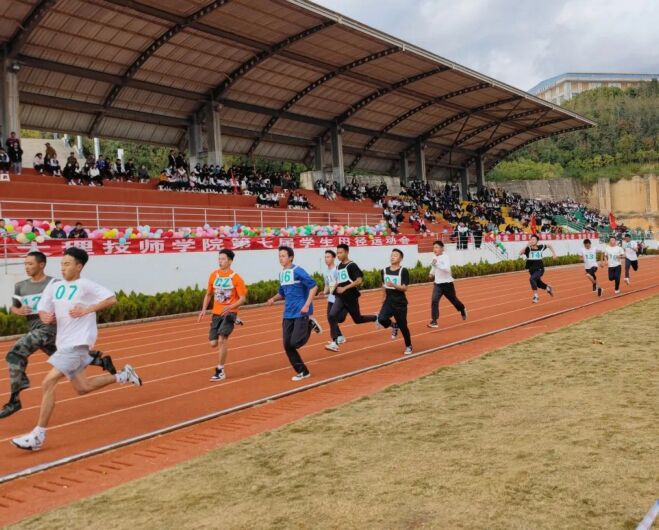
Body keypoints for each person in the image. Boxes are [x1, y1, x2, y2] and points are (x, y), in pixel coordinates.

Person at [11, 247, 141, 450]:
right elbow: (45, 309)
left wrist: (86, 309)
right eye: (62, 264)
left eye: (67, 264)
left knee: (48, 382)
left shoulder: (85, 285)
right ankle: (123, 375)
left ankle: (38, 435)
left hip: (78, 344)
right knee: (83, 387)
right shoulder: (54, 286)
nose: (63, 268)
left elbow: (111, 298)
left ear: (79, 266)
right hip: (64, 344)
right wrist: (45, 316)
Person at [1, 252, 115, 419]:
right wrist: (21, 311)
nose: (26, 267)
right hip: (47, 332)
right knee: (80, 383)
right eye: (25, 264)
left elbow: (106, 298)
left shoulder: (55, 282)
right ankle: (97, 360)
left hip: (48, 331)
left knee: (15, 353)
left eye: (30, 264)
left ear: (41, 265)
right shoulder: (20, 286)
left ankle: (15, 400)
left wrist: (83, 310)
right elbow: (14, 307)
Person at [267, 246, 321, 381]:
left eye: (283, 256)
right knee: (287, 345)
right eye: (279, 256)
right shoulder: (282, 274)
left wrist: (307, 305)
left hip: (301, 311)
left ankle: (309, 323)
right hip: (288, 314)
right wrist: (273, 298)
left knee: (295, 342)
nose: (281, 258)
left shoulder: (298, 271)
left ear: (291, 257)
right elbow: (282, 292)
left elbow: (313, 286)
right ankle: (303, 371)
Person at [198, 249, 247, 382]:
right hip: (216, 313)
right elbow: (208, 294)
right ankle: (235, 319)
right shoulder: (214, 275)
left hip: (230, 312)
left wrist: (231, 307)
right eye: (219, 259)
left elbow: (242, 299)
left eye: (223, 259)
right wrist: (203, 309)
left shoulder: (236, 278)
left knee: (222, 340)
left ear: (230, 261)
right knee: (213, 343)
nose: (220, 261)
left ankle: (220, 370)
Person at [325, 244, 377, 352]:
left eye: (341, 253)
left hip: (351, 298)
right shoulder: (338, 266)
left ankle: (375, 318)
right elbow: (338, 281)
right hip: (340, 298)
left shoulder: (352, 265)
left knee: (358, 320)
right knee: (331, 315)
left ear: (347, 252)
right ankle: (335, 342)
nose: (338, 255)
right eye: (337, 253)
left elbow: (359, 280)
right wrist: (329, 290)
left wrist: (345, 288)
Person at [376, 249, 413, 355]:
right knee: (382, 319)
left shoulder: (403, 271)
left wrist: (394, 285)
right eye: (392, 255)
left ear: (400, 259)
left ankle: (408, 345)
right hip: (388, 301)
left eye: (395, 255)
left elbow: (404, 288)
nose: (392, 257)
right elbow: (383, 285)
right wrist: (383, 297)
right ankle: (394, 326)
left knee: (403, 326)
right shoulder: (384, 270)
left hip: (400, 302)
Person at [428, 240, 467, 328]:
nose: (435, 249)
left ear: (442, 249)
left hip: (447, 284)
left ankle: (462, 309)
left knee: (454, 300)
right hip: (438, 283)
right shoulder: (434, 257)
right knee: (434, 301)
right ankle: (434, 321)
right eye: (434, 247)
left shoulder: (445, 257)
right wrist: (431, 273)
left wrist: (437, 263)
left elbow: (447, 269)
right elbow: (433, 267)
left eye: (437, 247)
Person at [519, 234, 557, 303]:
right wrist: (527, 245)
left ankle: (536, 296)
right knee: (538, 283)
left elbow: (549, 245)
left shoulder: (541, 247)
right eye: (531, 239)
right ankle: (548, 287)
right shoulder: (528, 249)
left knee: (532, 279)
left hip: (540, 269)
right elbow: (520, 253)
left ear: (537, 241)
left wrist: (554, 254)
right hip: (531, 270)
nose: (532, 241)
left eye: (534, 239)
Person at [322, 250, 346, 347]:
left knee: (339, 318)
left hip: (340, 298)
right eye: (325, 257)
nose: (326, 259)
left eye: (328, 257)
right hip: (331, 298)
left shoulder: (337, 270)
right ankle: (338, 337)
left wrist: (332, 288)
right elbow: (327, 285)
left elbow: (339, 282)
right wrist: (323, 292)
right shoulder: (325, 271)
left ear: (333, 258)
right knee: (330, 318)